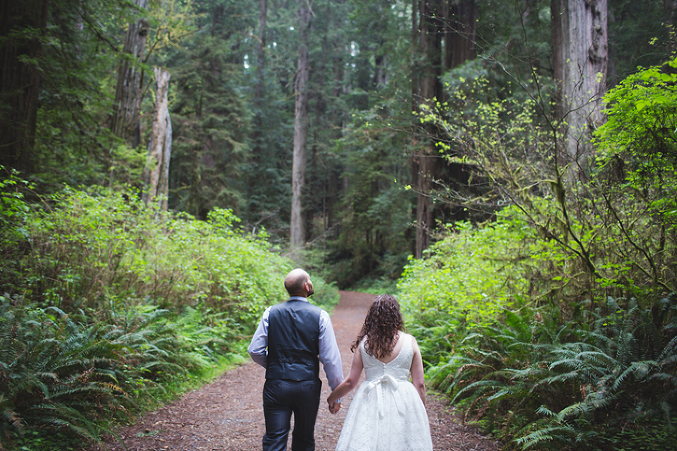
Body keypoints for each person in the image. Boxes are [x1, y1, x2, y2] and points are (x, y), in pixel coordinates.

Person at [248, 268, 344, 451]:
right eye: (310, 280)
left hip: (276, 385)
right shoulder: (320, 316)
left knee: (274, 439)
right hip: (307, 386)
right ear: (307, 286)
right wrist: (336, 394)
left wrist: (274, 365)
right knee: (304, 439)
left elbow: (255, 350)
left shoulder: (270, 313)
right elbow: (330, 359)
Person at [327, 294, 433, 451]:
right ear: (397, 315)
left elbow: (351, 381)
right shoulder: (410, 341)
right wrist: (420, 411)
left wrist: (333, 397)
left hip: (370, 397)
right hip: (404, 398)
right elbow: (420, 384)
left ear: (373, 317)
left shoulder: (365, 344)